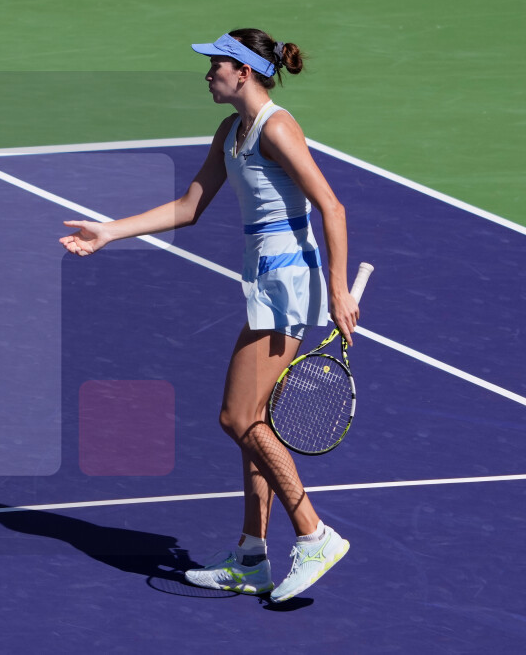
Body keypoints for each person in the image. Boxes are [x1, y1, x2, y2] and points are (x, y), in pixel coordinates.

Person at [59, 29, 358, 603]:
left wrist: (339, 291)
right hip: (264, 279)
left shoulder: (277, 127)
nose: (207, 74)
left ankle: (314, 534)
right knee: (252, 419)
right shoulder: (231, 130)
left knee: (237, 416)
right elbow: (189, 206)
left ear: (243, 72)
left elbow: (332, 206)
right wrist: (109, 231)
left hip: (289, 283)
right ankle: (250, 557)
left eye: (216, 65)